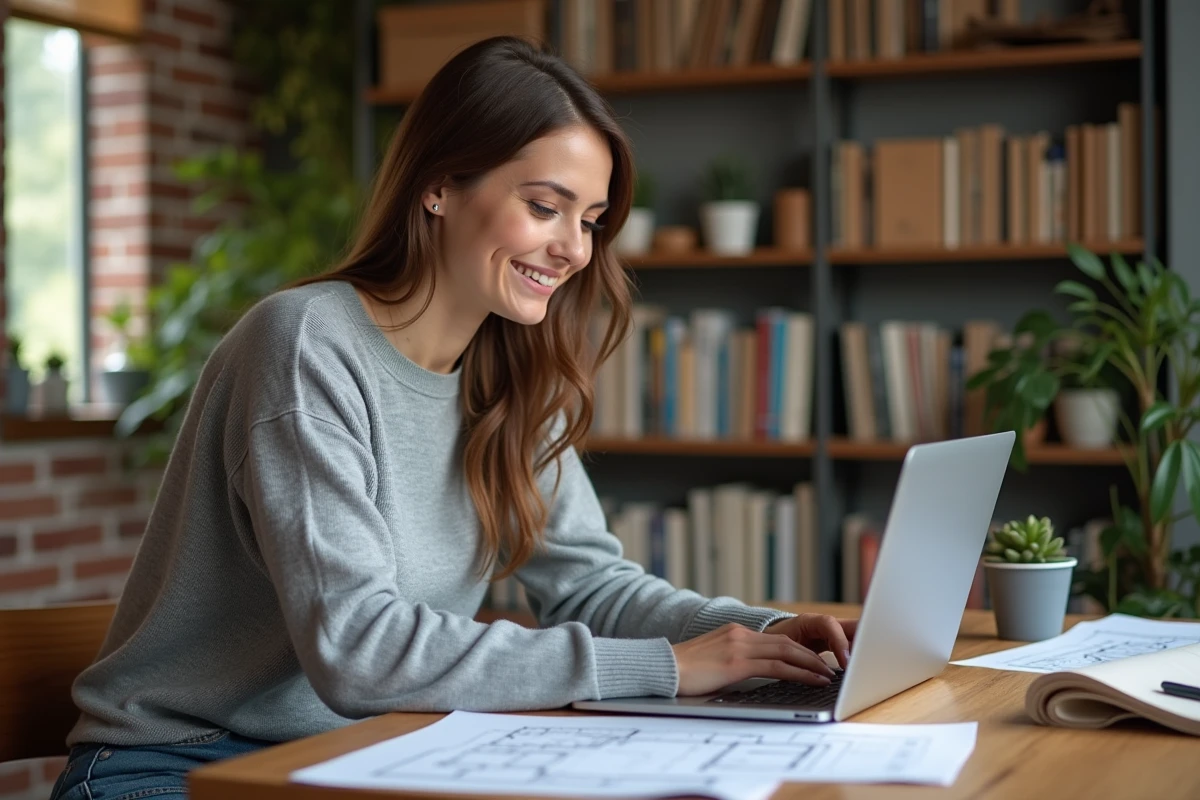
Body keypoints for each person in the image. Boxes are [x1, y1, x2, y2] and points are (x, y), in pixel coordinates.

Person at [50, 36, 856, 800]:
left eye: (591, 221)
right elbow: (358, 652)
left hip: (355, 758)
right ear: (438, 187)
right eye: (546, 206)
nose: (574, 249)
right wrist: (667, 667)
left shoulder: (511, 377)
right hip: (177, 765)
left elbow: (590, 587)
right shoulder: (307, 343)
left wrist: (766, 636)